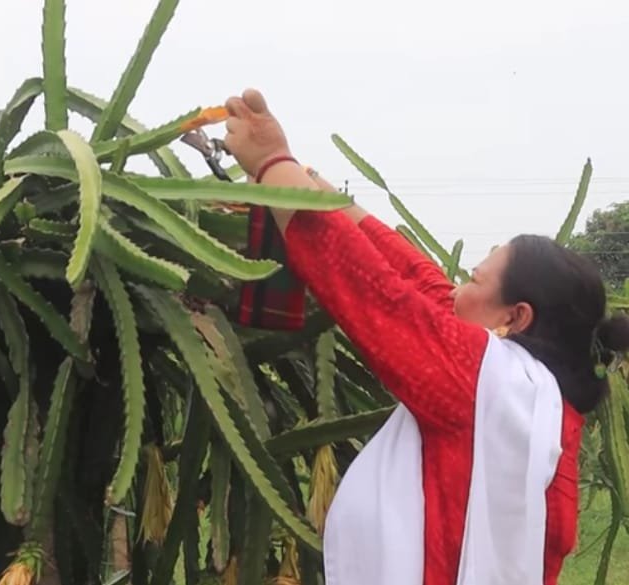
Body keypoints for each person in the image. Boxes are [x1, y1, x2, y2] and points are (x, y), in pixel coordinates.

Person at [221, 89, 629, 585]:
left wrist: (271, 162)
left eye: (474, 280)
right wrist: (307, 182)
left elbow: (372, 289)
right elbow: (416, 277)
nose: (456, 288)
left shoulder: (480, 385)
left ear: (516, 317)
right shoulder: (528, 396)